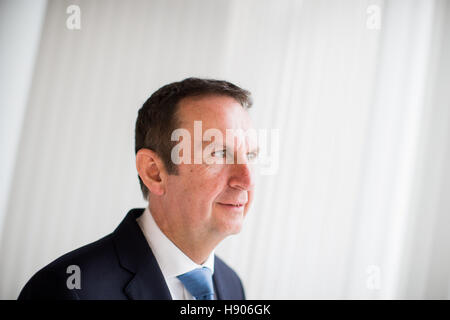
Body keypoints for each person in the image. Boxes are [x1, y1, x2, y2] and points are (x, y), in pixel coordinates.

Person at [18, 77, 258, 300]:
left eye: (250, 156)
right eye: (218, 153)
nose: (246, 180)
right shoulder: (68, 290)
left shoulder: (231, 285)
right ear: (154, 172)